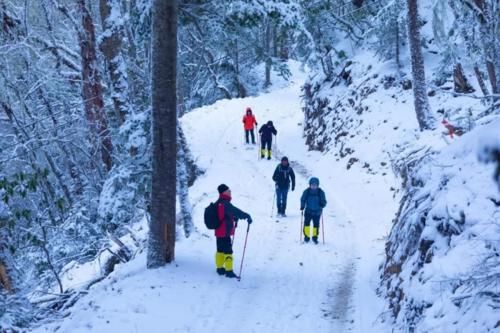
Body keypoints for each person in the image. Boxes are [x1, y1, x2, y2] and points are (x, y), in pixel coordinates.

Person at [214, 184, 252, 278]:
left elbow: (224, 214)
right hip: (225, 231)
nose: (230, 192)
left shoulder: (218, 202)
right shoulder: (225, 203)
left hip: (218, 231)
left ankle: (219, 268)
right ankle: (229, 271)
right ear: (224, 192)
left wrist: (233, 217)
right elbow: (235, 211)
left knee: (220, 250)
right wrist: (246, 215)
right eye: (228, 190)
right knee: (228, 251)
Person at [300, 177, 327, 244]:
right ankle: (307, 236)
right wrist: (302, 206)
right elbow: (303, 199)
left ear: (318, 185)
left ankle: (315, 237)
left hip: (317, 212)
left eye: (315, 185)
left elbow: (324, 201)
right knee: (306, 225)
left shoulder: (321, 192)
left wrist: (322, 204)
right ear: (310, 185)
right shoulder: (307, 191)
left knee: (316, 225)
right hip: (308, 211)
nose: (314, 186)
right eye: (312, 185)